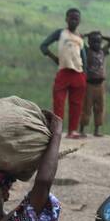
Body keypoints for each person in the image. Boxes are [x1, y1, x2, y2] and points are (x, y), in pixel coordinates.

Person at [40, 8, 86, 138]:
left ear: (79, 21)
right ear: (66, 19)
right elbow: (43, 46)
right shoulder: (60, 33)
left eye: (76, 18)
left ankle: (72, 131)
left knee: (76, 104)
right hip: (64, 71)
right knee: (59, 102)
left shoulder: (79, 37)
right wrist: (54, 58)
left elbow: (83, 56)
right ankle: (57, 131)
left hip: (79, 73)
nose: (74, 20)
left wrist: (85, 72)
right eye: (71, 18)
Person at [80, 31, 110, 137]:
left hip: (100, 84)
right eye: (94, 41)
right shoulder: (86, 51)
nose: (97, 44)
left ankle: (97, 130)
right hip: (89, 84)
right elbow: (80, 40)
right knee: (86, 107)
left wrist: (101, 36)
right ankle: (82, 129)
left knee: (100, 107)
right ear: (89, 42)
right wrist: (86, 35)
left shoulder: (102, 52)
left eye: (99, 42)